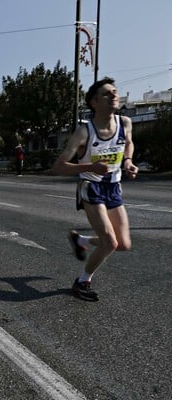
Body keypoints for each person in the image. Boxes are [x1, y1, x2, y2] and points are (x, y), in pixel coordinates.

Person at [52, 77, 139, 301]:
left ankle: (81, 240)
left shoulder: (125, 123)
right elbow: (59, 167)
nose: (113, 96)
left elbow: (128, 142)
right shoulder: (84, 132)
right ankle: (82, 281)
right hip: (90, 187)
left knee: (123, 244)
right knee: (110, 242)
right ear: (94, 102)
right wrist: (91, 166)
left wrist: (128, 161)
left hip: (113, 188)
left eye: (115, 92)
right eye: (106, 94)